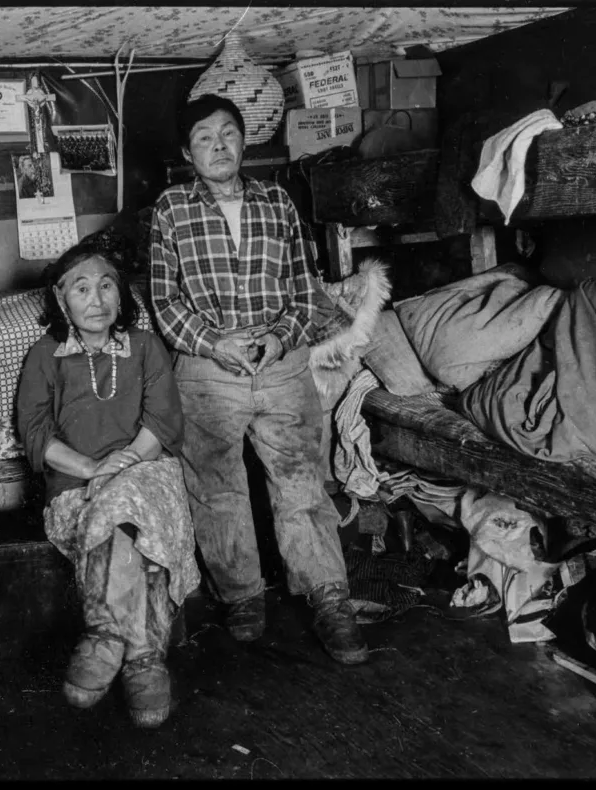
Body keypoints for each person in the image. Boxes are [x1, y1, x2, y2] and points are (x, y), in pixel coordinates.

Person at [148, 94, 368, 664]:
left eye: (228, 134)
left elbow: (305, 290)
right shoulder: (171, 208)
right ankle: (242, 595)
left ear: (244, 142)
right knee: (217, 487)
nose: (218, 145)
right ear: (186, 151)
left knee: (301, 481)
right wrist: (213, 342)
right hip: (207, 364)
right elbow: (165, 304)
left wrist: (279, 337)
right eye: (204, 137)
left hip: (281, 361)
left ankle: (330, 599)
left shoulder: (278, 203)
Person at [16, 240, 201, 728]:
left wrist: (121, 468)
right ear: (61, 300)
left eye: (106, 286)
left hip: (148, 474)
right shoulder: (44, 355)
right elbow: (35, 433)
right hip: (74, 487)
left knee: (127, 503)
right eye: (82, 288)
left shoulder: (144, 346)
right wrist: (90, 469)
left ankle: (104, 636)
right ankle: (143, 658)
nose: (95, 299)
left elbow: (163, 422)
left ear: (121, 298)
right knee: (126, 528)